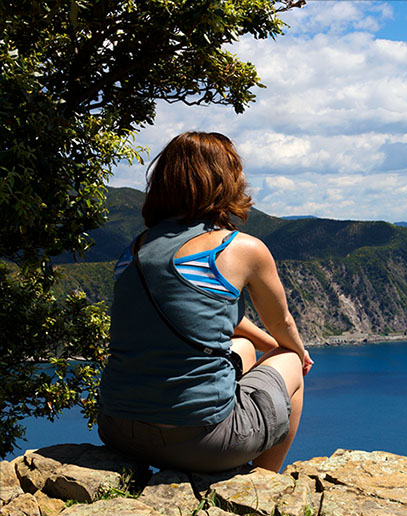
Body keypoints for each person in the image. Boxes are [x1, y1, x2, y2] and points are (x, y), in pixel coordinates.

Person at [98, 131, 312, 473]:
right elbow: (283, 323)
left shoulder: (134, 251)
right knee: (290, 360)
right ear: (227, 181)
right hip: (203, 444)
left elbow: (193, 311)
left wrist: (262, 344)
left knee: (242, 348)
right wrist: (291, 352)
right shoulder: (240, 248)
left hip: (119, 430)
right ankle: (267, 484)